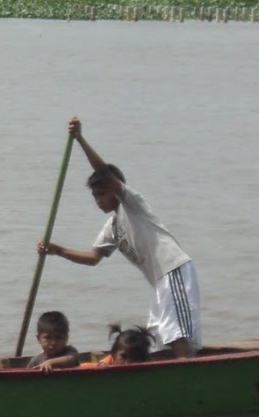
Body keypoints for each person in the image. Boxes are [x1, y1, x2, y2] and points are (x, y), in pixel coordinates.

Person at [38, 117, 202, 357]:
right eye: (95, 196)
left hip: (173, 270)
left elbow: (104, 173)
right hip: (160, 282)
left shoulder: (132, 204)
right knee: (158, 338)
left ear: (115, 189)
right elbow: (93, 258)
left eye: (102, 194)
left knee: (175, 332)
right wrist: (58, 251)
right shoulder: (113, 226)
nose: (98, 201)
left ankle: (186, 368)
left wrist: (80, 139)